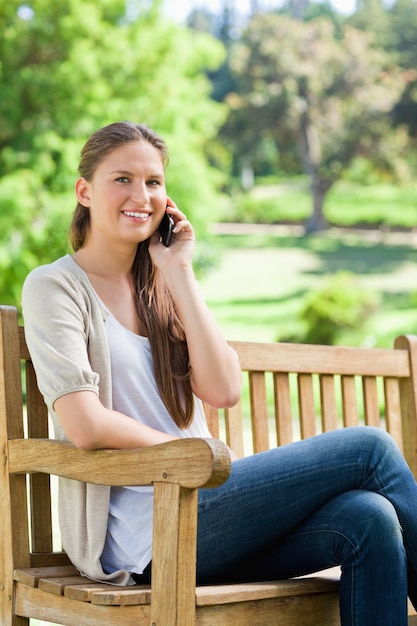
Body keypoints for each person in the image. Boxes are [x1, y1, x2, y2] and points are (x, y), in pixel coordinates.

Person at [22, 121, 417, 626]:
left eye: (153, 182)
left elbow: (223, 389)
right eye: (122, 179)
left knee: (371, 518)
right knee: (371, 448)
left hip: (208, 510)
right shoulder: (55, 286)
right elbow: (85, 423)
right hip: (152, 532)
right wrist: (188, 459)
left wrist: (180, 273)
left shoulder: (165, 287)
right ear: (85, 190)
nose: (140, 195)